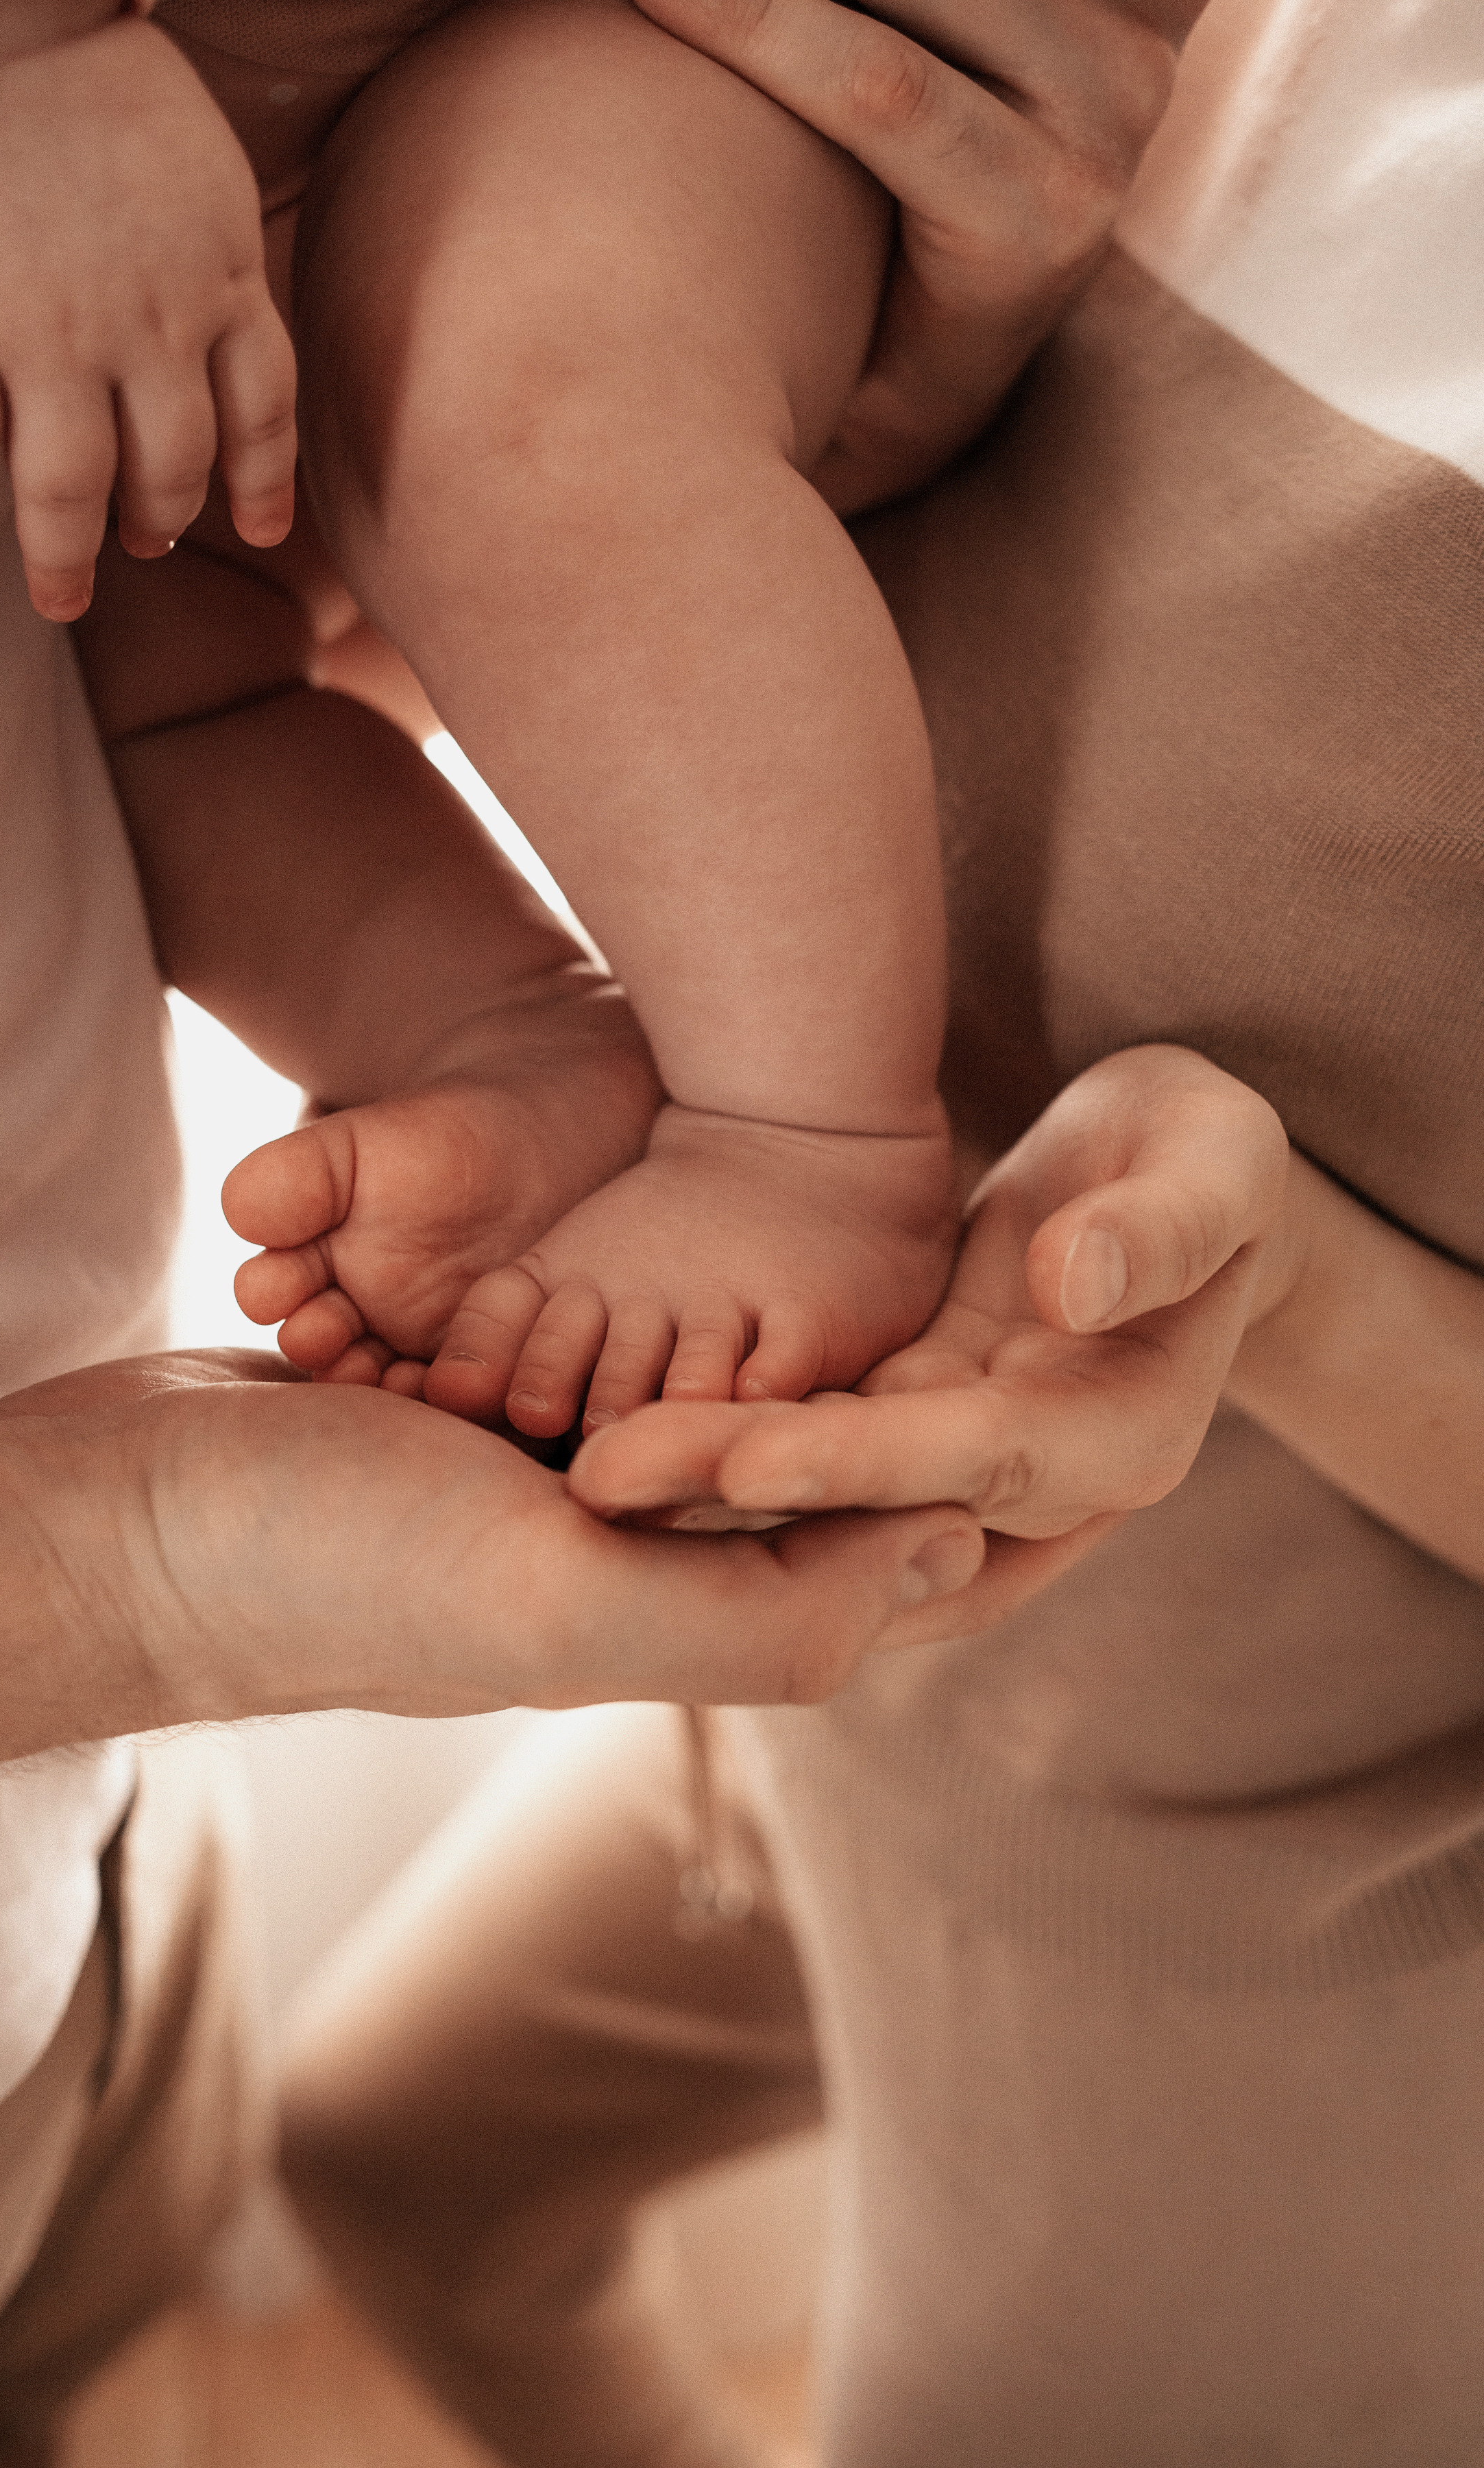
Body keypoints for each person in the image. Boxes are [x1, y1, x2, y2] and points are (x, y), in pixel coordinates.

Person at [0, 5, 1224, 2463]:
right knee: (301, 549)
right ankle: (593, 1048)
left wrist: (1, 56)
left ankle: (760, 1104)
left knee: (456, 410)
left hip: (55, 1835)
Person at [276, 0, 1484, 2460]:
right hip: (848, 1681)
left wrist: (1274, 1276)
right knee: (385, 2162)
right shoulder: (1121, 47)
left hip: (1290, 1930)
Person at [0, 0, 1195, 1440]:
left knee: (502, 393)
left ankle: (815, 1143)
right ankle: (502, 1027)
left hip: (542, 34)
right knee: (139, 701)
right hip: (175, 188)